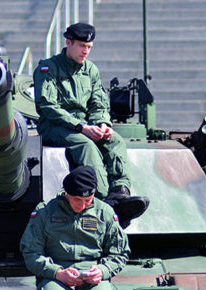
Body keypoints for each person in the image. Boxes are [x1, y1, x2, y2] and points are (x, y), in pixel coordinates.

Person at [33, 22, 149, 227]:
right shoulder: (48, 68)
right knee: (85, 145)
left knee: (115, 141)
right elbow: (47, 106)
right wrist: (81, 127)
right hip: (55, 126)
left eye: (89, 47)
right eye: (81, 46)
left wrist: (102, 124)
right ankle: (104, 199)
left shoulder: (90, 70)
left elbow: (98, 103)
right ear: (68, 43)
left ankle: (120, 191)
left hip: (86, 125)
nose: (85, 51)